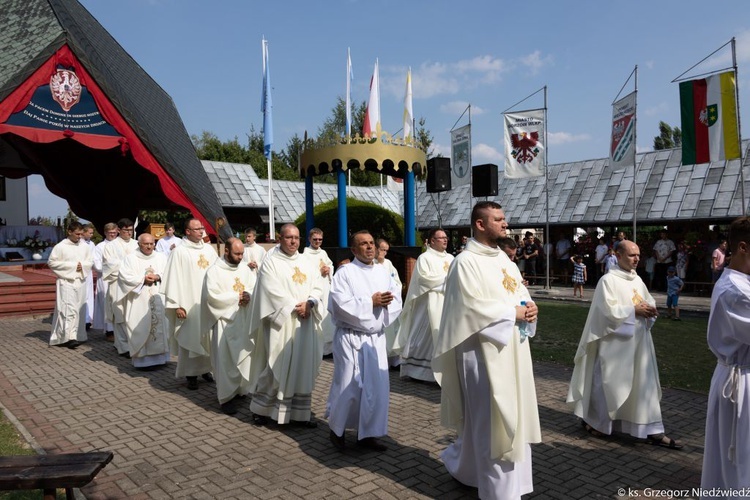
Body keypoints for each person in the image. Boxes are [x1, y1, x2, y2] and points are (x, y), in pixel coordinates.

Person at [433, 201, 540, 499]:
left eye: (504, 219)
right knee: (491, 424)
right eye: (498, 219)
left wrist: (530, 308)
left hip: (513, 351)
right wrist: (512, 313)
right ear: (480, 224)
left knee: (511, 418)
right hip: (481, 354)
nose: (505, 224)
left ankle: (471, 473)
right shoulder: (465, 262)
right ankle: (498, 493)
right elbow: (468, 308)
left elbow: (519, 293)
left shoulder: (505, 261)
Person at [567, 240, 683, 450]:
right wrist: (633, 311)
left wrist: (650, 310)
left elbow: (647, 302)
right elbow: (606, 312)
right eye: (631, 255)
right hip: (615, 346)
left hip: (639, 344)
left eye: (638, 255)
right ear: (617, 255)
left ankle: (651, 430)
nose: (636, 259)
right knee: (608, 385)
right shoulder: (608, 281)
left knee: (642, 385)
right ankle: (600, 424)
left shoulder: (637, 280)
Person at [326, 230, 403, 452]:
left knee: (375, 389)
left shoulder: (382, 271)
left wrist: (387, 302)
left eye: (371, 243)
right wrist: (370, 302)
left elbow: (396, 295)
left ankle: (367, 434)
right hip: (351, 338)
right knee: (348, 386)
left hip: (375, 339)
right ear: (353, 249)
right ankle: (337, 430)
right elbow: (340, 305)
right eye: (363, 244)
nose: (369, 247)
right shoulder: (345, 273)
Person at [247, 224, 325, 426]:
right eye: (289, 237)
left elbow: (318, 286)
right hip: (281, 324)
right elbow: (270, 290)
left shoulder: (307, 262)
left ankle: (299, 415)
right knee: (277, 365)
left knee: (302, 365)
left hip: (304, 323)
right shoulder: (271, 262)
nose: (293, 242)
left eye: (297, 238)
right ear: (280, 239)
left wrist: (311, 303)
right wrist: (294, 306)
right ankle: (262, 410)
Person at [700, 216, 750, 495]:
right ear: (742, 247)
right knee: (739, 465)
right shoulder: (736, 291)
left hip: (739, 376)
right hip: (741, 382)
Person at [162, 218, 218, 390]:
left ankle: (207, 370)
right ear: (187, 231)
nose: (201, 231)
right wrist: (177, 304)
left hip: (206, 303)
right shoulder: (179, 252)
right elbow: (173, 279)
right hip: (188, 302)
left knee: (207, 337)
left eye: (202, 228)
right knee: (191, 335)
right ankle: (191, 374)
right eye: (197, 229)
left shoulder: (209, 250)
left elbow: (218, 272)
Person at [392, 228, 453, 383]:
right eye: (441, 238)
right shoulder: (424, 258)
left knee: (441, 335)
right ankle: (416, 370)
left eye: (446, 237)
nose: (445, 240)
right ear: (432, 241)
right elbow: (425, 280)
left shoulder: (452, 258)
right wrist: (447, 281)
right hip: (429, 304)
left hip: (447, 302)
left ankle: (440, 372)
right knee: (426, 336)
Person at [203, 238, 254, 414]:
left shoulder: (246, 269)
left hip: (243, 320)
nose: (240, 257)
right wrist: (236, 297)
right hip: (224, 322)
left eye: (242, 254)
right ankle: (226, 398)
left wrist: (249, 296)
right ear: (226, 252)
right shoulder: (214, 272)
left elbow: (254, 288)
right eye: (237, 254)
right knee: (225, 360)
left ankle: (241, 389)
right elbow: (211, 297)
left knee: (244, 356)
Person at [116, 233, 169, 369]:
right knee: (139, 326)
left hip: (157, 296)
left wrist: (158, 276)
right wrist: (142, 279)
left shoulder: (161, 257)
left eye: (152, 243)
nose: (149, 246)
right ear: (139, 244)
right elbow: (124, 277)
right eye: (146, 244)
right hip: (139, 298)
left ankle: (160, 359)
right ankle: (142, 361)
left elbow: (168, 272)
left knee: (159, 326)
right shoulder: (130, 259)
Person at [47, 221, 94, 349]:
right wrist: (73, 266)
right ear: (69, 232)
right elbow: (52, 262)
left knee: (79, 308)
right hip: (66, 281)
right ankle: (67, 337)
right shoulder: (61, 246)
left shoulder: (84, 246)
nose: (79, 237)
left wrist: (83, 266)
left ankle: (78, 335)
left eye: (81, 234)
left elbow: (90, 261)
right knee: (67, 308)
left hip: (81, 281)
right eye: (77, 234)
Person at [102, 218, 138, 357]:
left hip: (134, 285)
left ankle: (133, 343)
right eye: (126, 230)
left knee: (132, 315)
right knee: (120, 315)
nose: (129, 233)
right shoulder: (111, 246)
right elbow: (109, 266)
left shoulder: (137, 244)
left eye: (131, 230)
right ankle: (123, 346)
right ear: (118, 230)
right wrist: (127, 267)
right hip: (117, 285)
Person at [302, 228, 334, 355]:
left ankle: (328, 349)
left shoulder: (323, 253)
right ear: (309, 239)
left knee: (327, 317)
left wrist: (329, 269)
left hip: (326, 289)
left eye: (320, 239)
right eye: (315, 239)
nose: (317, 242)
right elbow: (304, 272)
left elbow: (330, 264)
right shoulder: (305, 255)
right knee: (318, 316)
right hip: (314, 290)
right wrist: (319, 272)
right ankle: (317, 348)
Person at [376, 237, 403, 367]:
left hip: (390, 303)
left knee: (393, 331)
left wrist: (393, 292)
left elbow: (397, 282)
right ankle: (382, 359)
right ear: (376, 249)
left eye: (386, 250)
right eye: (382, 250)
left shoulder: (388, 264)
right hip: (378, 304)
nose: (385, 253)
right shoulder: (371, 264)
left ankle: (394, 360)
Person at [93, 223, 118, 340]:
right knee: (106, 303)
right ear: (105, 233)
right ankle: (109, 331)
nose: (112, 235)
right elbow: (96, 264)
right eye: (110, 233)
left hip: (119, 279)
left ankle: (119, 329)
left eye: (114, 232)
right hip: (105, 279)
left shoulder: (120, 245)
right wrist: (110, 269)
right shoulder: (99, 247)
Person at [81, 223, 96, 331]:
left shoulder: (92, 244)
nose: (91, 235)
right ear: (83, 232)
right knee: (83, 295)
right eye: (89, 233)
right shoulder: (79, 244)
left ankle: (88, 319)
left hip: (89, 271)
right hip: (81, 270)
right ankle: (82, 319)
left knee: (89, 295)